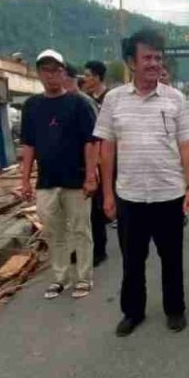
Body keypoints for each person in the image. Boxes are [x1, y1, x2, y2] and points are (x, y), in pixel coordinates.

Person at [94, 29, 189, 336]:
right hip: (130, 196)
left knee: (172, 258)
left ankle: (175, 309)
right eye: (147, 57)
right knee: (132, 261)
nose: (154, 63)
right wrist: (108, 195)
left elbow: (187, 145)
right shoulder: (113, 100)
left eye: (158, 57)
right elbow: (106, 149)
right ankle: (133, 312)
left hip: (170, 194)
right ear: (131, 62)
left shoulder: (176, 99)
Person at [20, 50, 99, 300]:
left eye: (56, 70)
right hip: (46, 181)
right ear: (38, 74)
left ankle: (84, 277)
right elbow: (28, 145)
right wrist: (24, 180)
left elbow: (90, 143)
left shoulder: (79, 103)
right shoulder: (32, 106)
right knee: (53, 232)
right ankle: (60, 277)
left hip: (75, 179)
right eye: (45, 70)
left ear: (64, 73)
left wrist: (90, 176)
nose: (51, 75)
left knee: (80, 230)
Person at [79, 60, 109, 267]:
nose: (85, 79)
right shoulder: (86, 100)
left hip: (107, 156)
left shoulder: (111, 99)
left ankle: (100, 249)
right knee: (90, 205)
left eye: (88, 75)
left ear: (98, 77)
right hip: (92, 155)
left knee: (99, 205)